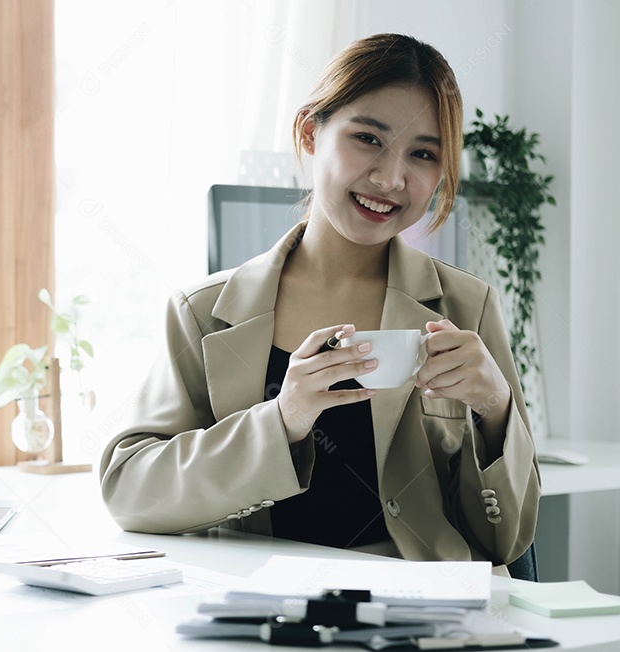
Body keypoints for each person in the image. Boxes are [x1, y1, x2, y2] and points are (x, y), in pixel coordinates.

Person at [99, 33, 540, 569]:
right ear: (311, 133)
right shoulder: (202, 313)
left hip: (415, 615)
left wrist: (496, 411)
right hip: (257, 612)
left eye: (422, 154)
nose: (391, 178)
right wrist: (280, 421)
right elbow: (129, 491)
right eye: (368, 139)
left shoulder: (466, 307)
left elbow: (506, 542)